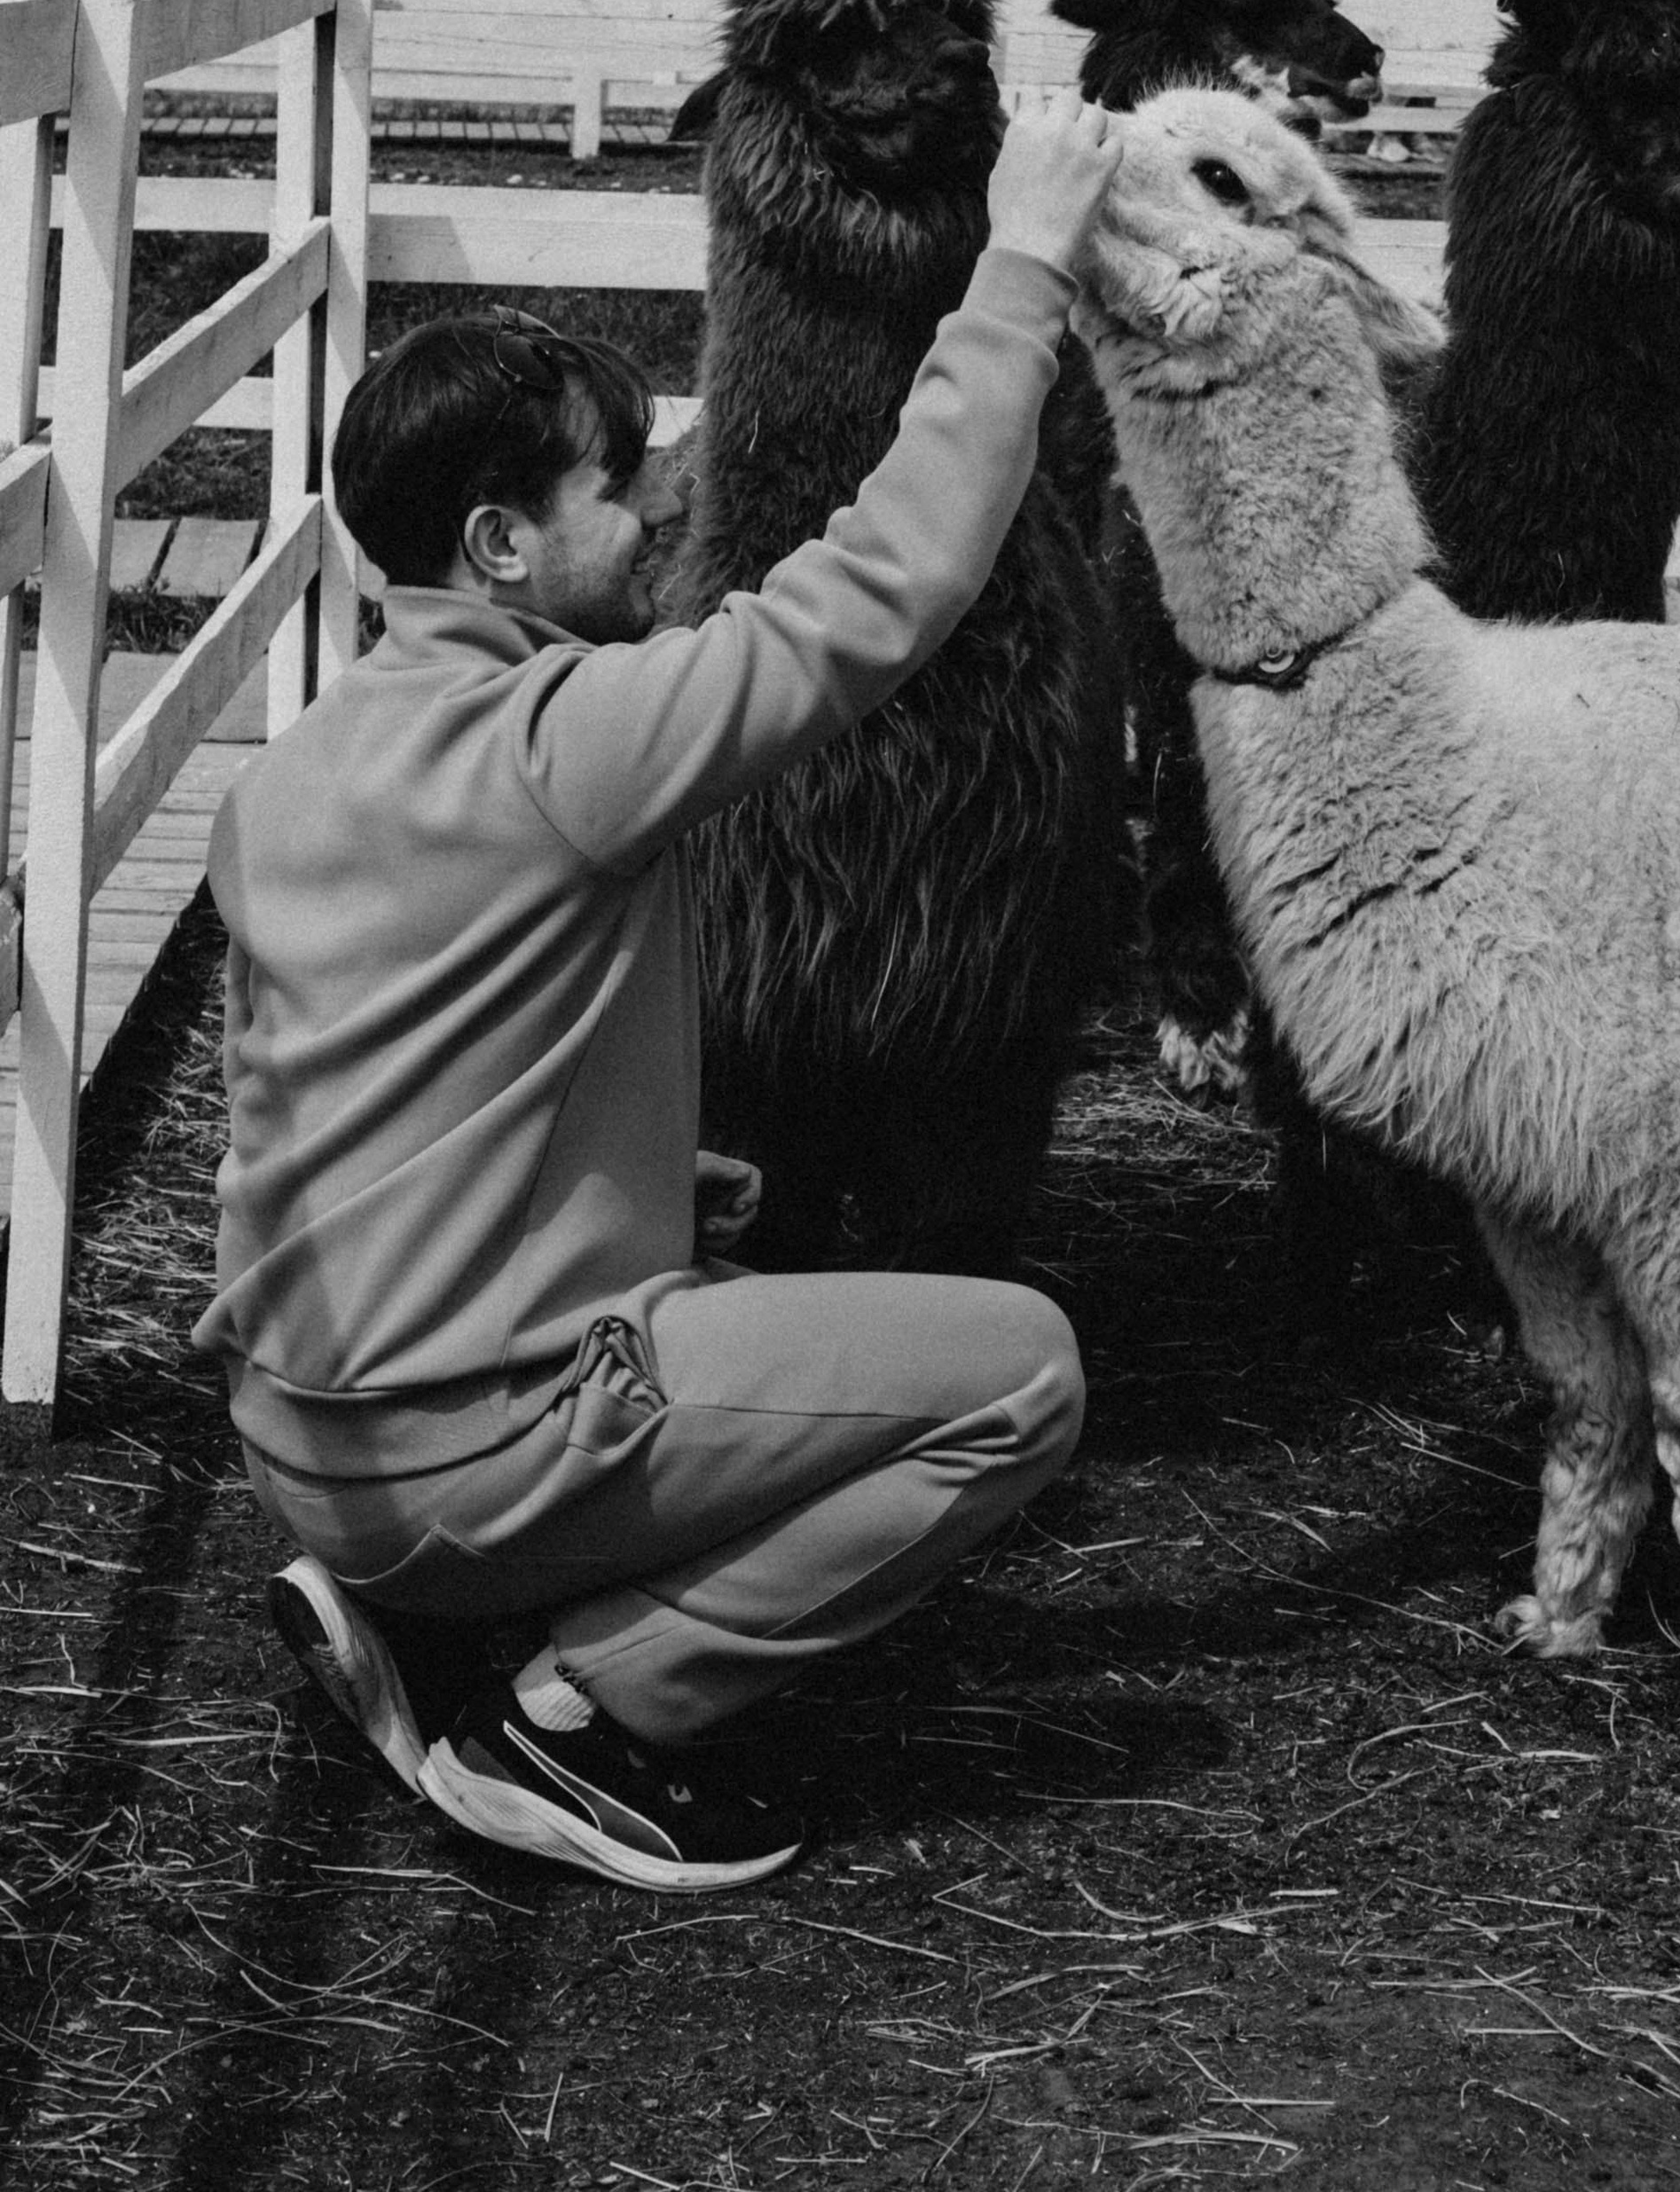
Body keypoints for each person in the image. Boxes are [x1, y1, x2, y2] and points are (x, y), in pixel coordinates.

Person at [197, 96, 1120, 1895]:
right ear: (498, 549)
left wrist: (634, 1174)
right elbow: (882, 591)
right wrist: (1015, 269)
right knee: (1021, 1377)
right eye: (610, 487)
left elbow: (347, 1097)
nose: (659, 508)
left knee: (724, 1284)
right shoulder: (565, 740)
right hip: (472, 1454)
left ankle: (425, 1602)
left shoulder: (286, 781)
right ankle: (576, 1721)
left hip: (297, 1443)